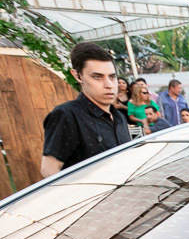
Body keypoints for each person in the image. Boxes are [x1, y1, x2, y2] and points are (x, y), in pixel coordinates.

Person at [40, 42, 131, 178]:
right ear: (78, 76)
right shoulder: (67, 115)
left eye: (112, 77)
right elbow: (49, 170)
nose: (109, 85)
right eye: (97, 77)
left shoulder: (119, 117)